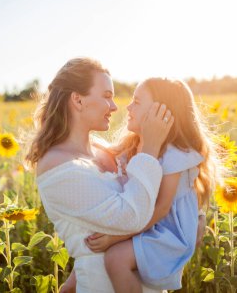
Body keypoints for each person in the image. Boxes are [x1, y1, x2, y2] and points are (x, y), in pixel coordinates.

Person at [25, 57, 174, 293]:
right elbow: (131, 216)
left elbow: (155, 205)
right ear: (78, 99)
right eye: (106, 96)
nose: (114, 107)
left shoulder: (104, 150)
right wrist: (151, 149)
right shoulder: (56, 165)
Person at [82, 78, 217, 293]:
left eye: (136, 101)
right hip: (147, 225)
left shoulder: (175, 155)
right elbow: (107, 153)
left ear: (161, 112)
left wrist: (117, 237)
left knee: (115, 259)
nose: (128, 106)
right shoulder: (134, 146)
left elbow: (162, 208)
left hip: (169, 233)